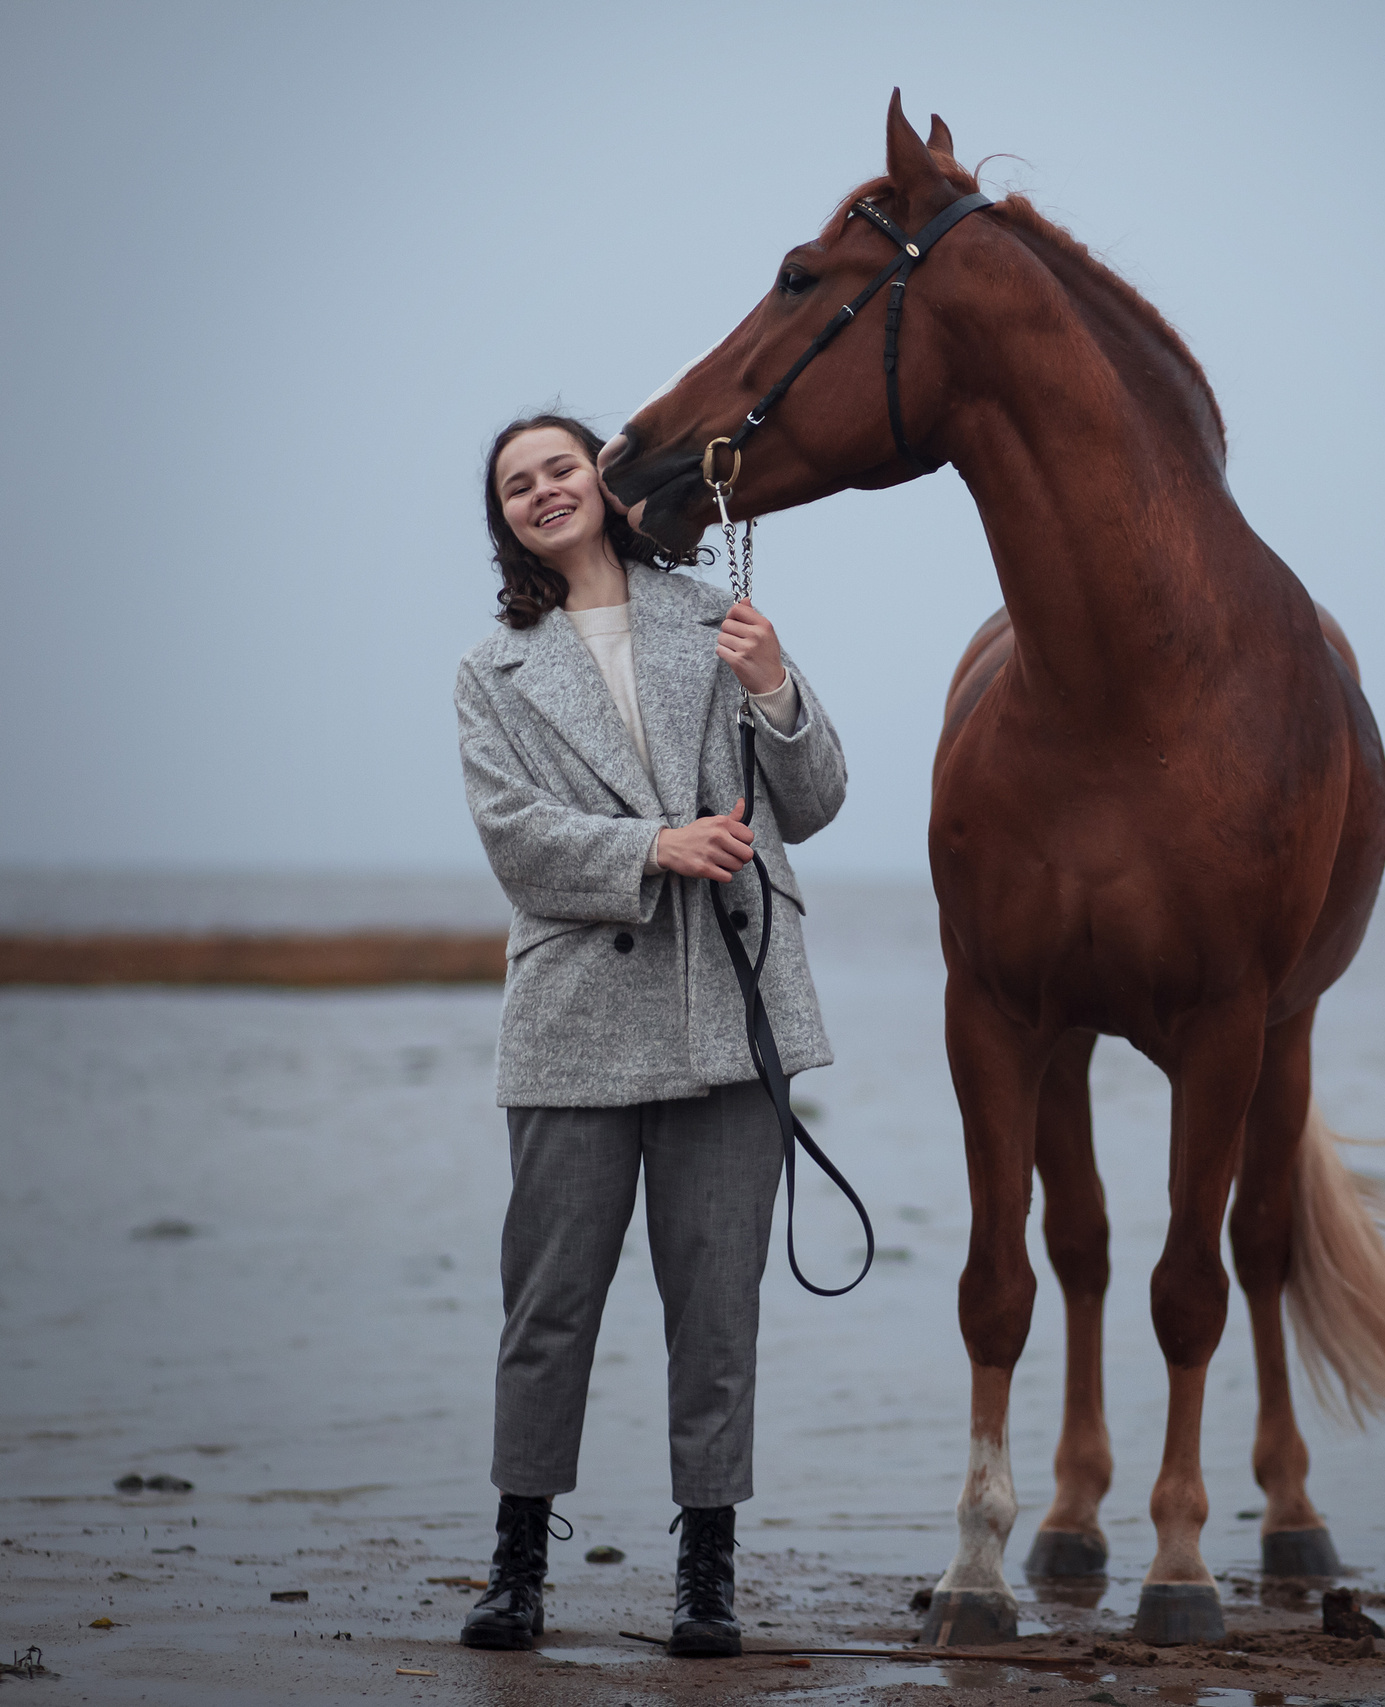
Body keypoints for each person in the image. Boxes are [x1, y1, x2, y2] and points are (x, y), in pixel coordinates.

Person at [451, 411, 846, 1657]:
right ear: (504, 518)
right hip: (573, 1024)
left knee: (716, 1310)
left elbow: (818, 797)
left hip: (728, 1008)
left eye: (560, 467)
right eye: (517, 484)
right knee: (548, 1306)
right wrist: (653, 847)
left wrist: (774, 683)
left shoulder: (712, 617)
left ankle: (706, 1575)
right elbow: (515, 842)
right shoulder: (491, 670)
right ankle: (518, 1564)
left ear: (605, 481)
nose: (543, 491)